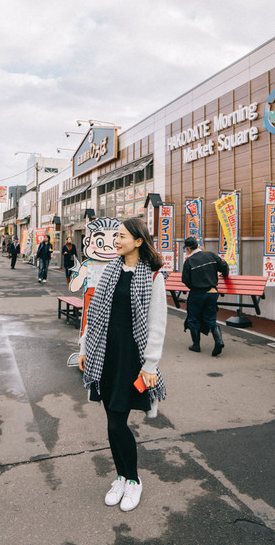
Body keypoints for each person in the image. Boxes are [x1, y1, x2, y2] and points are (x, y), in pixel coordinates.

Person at [78, 218, 167, 513]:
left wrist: (150, 365)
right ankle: (120, 476)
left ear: (139, 241)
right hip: (105, 354)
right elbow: (95, 312)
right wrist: (84, 349)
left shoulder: (153, 275)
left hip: (132, 358)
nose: (116, 241)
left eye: (122, 236)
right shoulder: (109, 270)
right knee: (112, 423)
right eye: (116, 235)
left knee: (118, 422)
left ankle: (133, 480)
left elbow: (157, 325)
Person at [181, 236, 229, 356]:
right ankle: (219, 340)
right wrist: (225, 274)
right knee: (211, 318)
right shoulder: (211, 255)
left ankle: (196, 345)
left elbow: (185, 280)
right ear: (197, 245)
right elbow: (224, 266)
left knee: (193, 318)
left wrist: (194, 286)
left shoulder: (189, 262)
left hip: (197, 294)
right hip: (212, 293)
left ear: (188, 249)